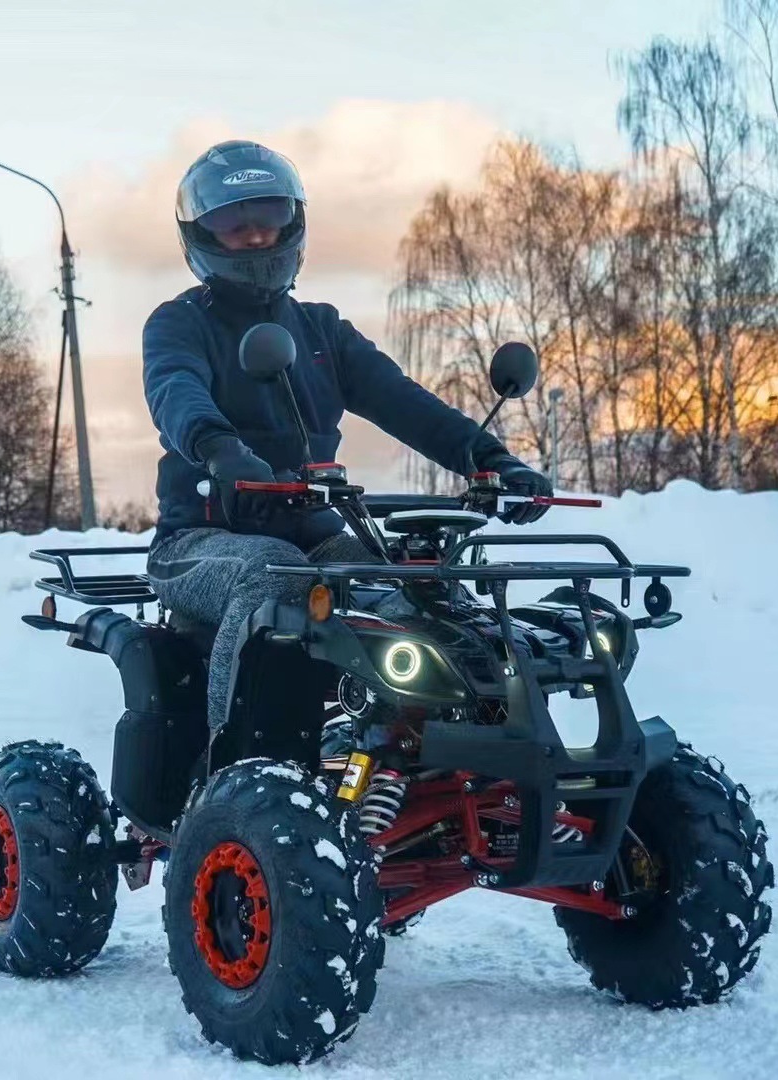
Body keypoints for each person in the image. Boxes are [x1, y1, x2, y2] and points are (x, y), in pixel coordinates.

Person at [143, 139, 552, 732]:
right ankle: (233, 773)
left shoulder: (323, 331)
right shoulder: (179, 323)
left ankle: (468, 765)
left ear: (295, 222)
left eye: (270, 218)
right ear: (202, 235)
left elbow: (404, 402)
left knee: (419, 595)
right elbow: (174, 389)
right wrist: (220, 450)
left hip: (314, 535)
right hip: (199, 539)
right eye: (235, 224)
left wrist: (490, 460)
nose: (257, 236)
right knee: (274, 576)